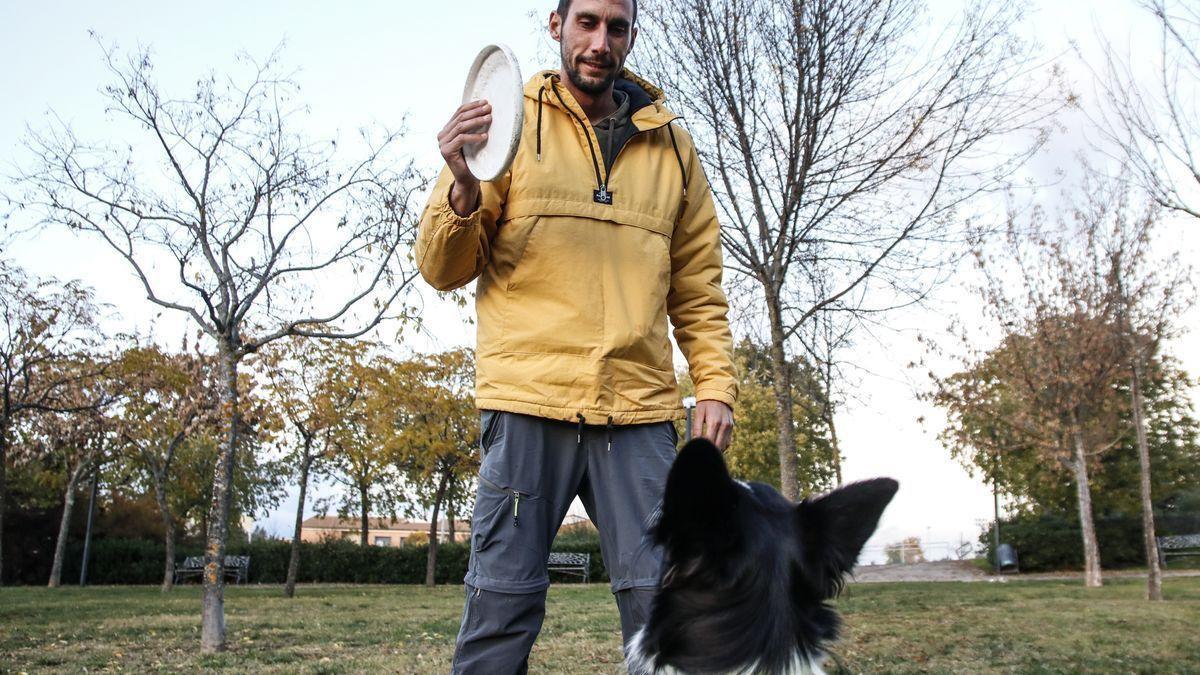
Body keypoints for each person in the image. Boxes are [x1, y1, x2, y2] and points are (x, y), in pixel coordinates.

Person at [416, 0, 738, 671]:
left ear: (631, 36)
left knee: (669, 605)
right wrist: (461, 188)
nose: (600, 41)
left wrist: (715, 383)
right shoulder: (507, 123)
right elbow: (441, 268)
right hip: (528, 401)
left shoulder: (673, 144)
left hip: (640, 409)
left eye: (616, 27)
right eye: (587, 22)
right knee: (500, 605)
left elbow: (699, 283)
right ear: (556, 25)